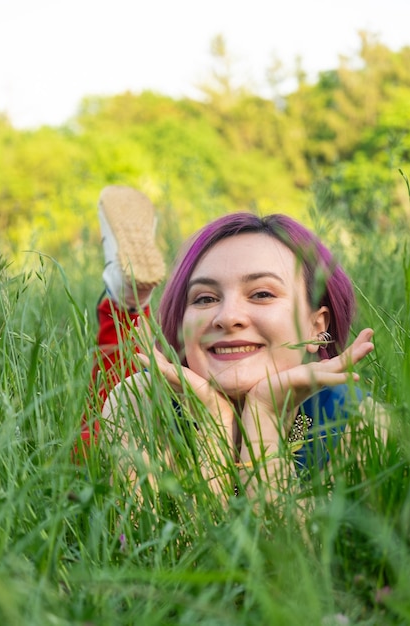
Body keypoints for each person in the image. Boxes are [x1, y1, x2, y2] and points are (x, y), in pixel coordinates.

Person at [83, 185, 375, 498]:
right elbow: (148, 546)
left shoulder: (358, 421)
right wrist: (214, 425)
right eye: (205, 298)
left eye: (262, 294)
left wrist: (265, 418)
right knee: (85, 445)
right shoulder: (137, 401)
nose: (227, 316)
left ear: (317, 326)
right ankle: (126, 297)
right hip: (156, 394)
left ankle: (127, 296)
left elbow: (297, 547)